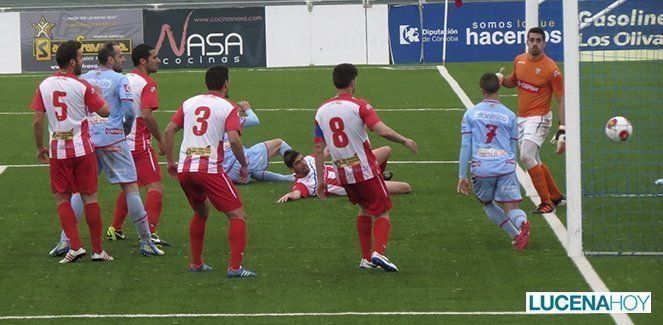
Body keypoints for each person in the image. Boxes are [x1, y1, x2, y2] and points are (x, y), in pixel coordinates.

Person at [47, 42, 164, 258]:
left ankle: (65, 240)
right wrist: (125, 128)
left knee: (80, 192)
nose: (122, 59)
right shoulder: (120, 79)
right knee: (131, 188)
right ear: (110, 59)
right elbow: (129, 110)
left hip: (88, 141)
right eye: (120, 56)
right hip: (113, 138)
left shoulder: (86, 78)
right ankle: (146, 241)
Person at [313, 63, 418, 272]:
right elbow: (380, 129)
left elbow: (318, 149)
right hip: (364, 170)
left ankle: (365, 258)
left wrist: (321, 180)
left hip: (342, 172)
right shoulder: (359, 105)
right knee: (383, 211)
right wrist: (403, 140)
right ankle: (378, 253)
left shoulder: (321, 111)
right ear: (353, 82)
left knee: (363, 208)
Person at [164, 65, 256, 278]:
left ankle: (196, 263)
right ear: (226, 83)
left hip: (186, 168)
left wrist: (170, 162)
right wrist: (243, 164)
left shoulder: (189, 102)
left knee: (201, 212)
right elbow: (233, 138)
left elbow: (169, 130)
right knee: (238, 215)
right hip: (209, 169)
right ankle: (235, 268)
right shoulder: (228, 106)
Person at [31, 40, 112, 263]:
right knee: (90, 197)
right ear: (72, 61)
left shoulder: (45, 85)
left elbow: (37, 121)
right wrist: (98, 95)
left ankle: (75, 247)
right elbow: (105, 112)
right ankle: (97, 251)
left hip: (58, 151)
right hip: (82, 149)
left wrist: (40, 147)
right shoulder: (82, 86)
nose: (83, 61)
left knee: (61, 198)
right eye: (80, 57)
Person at [457, 73, 530, 250]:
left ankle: (515, 235)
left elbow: (466, 145)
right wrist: (511, 166)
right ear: (499, 87)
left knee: (487, 203)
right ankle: (522, 223)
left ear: (482, 89)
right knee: (512, 206)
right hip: (505, 165)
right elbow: (513, 145)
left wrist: (462, 175)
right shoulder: (510, 115)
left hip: (482, 168)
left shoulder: (471, 114)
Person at [499, 27, 566, 214]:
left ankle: (546, 203)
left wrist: (562, 127)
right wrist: (502, 79)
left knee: (526, 156)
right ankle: (556, 196)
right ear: (527, 41)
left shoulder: (551, 69)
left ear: (544, 43)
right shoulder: (519, 60)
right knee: (534, 158)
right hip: (523, 118)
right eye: (532, 40)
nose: (535, 43)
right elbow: (514, 81)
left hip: (540, 117)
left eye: (538, 40)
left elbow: (562, 99)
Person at [108, 44, 170, 246]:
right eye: (155, 57)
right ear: (143, 61)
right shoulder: (147, 83)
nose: (158, 60)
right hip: (137, 144)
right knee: (155, 188)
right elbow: (147, 115)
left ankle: (115, 228)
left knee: (130, 187)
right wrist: (161, 139)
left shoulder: (124, 78)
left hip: (117, 140)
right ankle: (149, 232)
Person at [277, 147, 411, 203]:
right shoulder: (302, 185)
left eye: (302, 159)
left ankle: (377, 175)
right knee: (405, 187)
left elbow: (326, 151)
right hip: (354, 183)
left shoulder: (310, 159)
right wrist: (290, 195)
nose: (303, 163)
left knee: (386, 150)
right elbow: (297, 194)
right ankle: (377, 179)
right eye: (297, 163)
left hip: (346, 164)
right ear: (291, 169)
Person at [220, 102, 295, 184]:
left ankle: (288, 178)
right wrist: (247, 109)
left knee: (254, 170)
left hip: (224, 174)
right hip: (239, 167)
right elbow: (255, 120)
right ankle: (303, 174)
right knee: (279, 144)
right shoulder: (230, 118)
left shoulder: (209, 125)